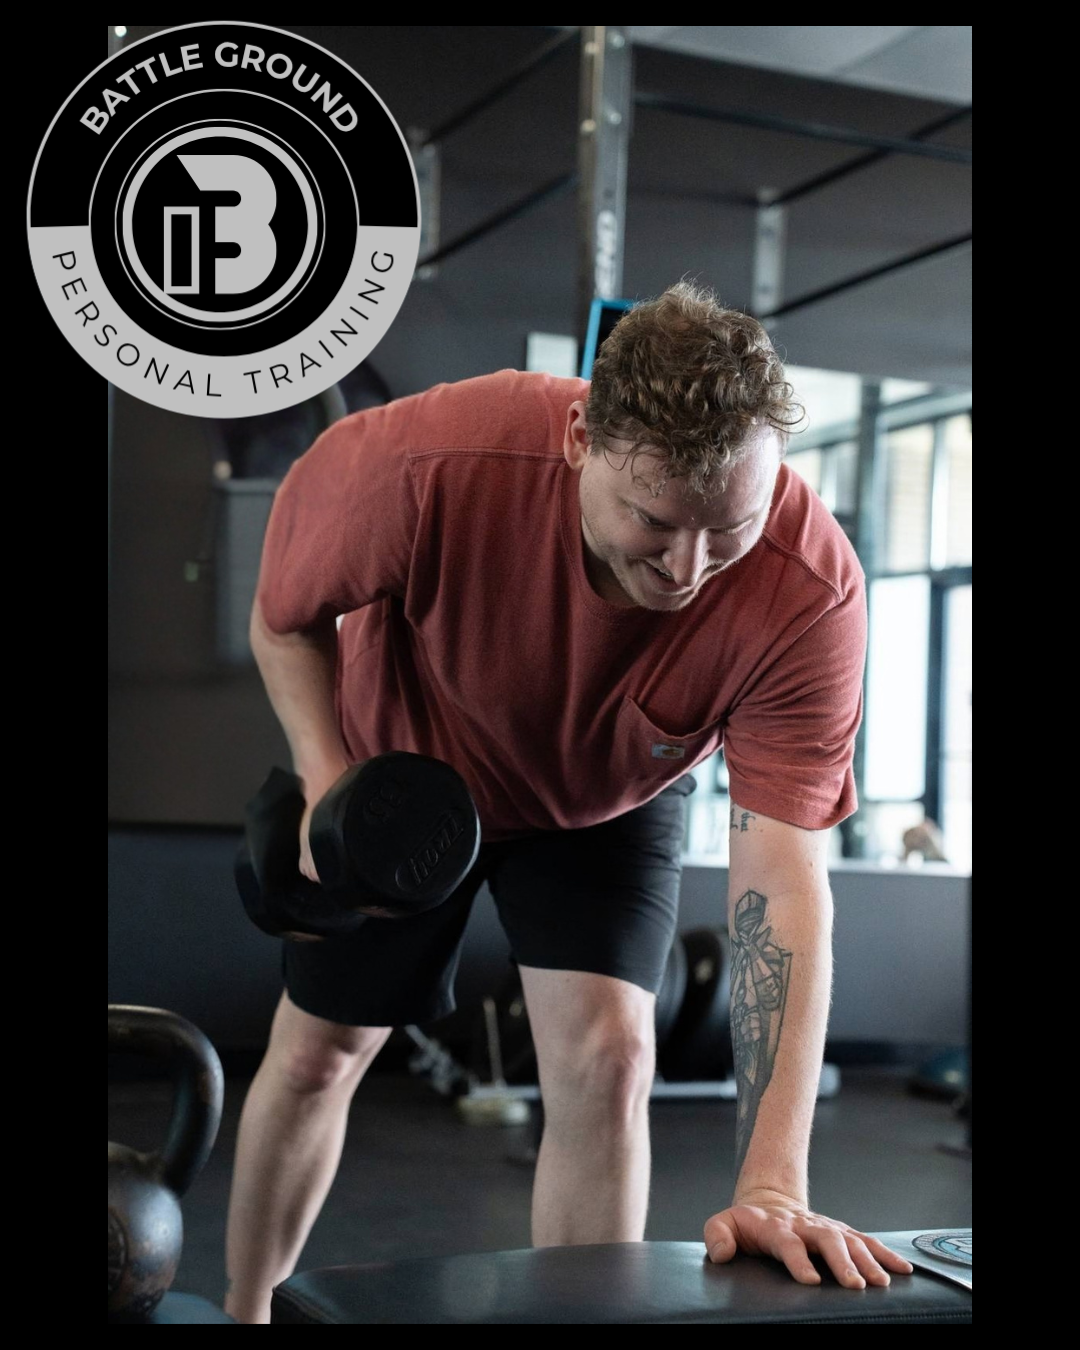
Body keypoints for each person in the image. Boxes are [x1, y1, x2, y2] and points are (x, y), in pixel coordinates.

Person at [224, 282, 914, 1322]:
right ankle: (244, 1310)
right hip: (408, 763)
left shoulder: (807, 591)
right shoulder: (433, 461)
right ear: (581, 437)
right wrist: (327, 781)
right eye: (654, 521)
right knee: (322, 1053)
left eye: (728, 530)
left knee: (612, 1056)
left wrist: (774, 1182)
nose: (688, 571)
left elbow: (781, 884)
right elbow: (285, 620)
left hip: (609, 793)